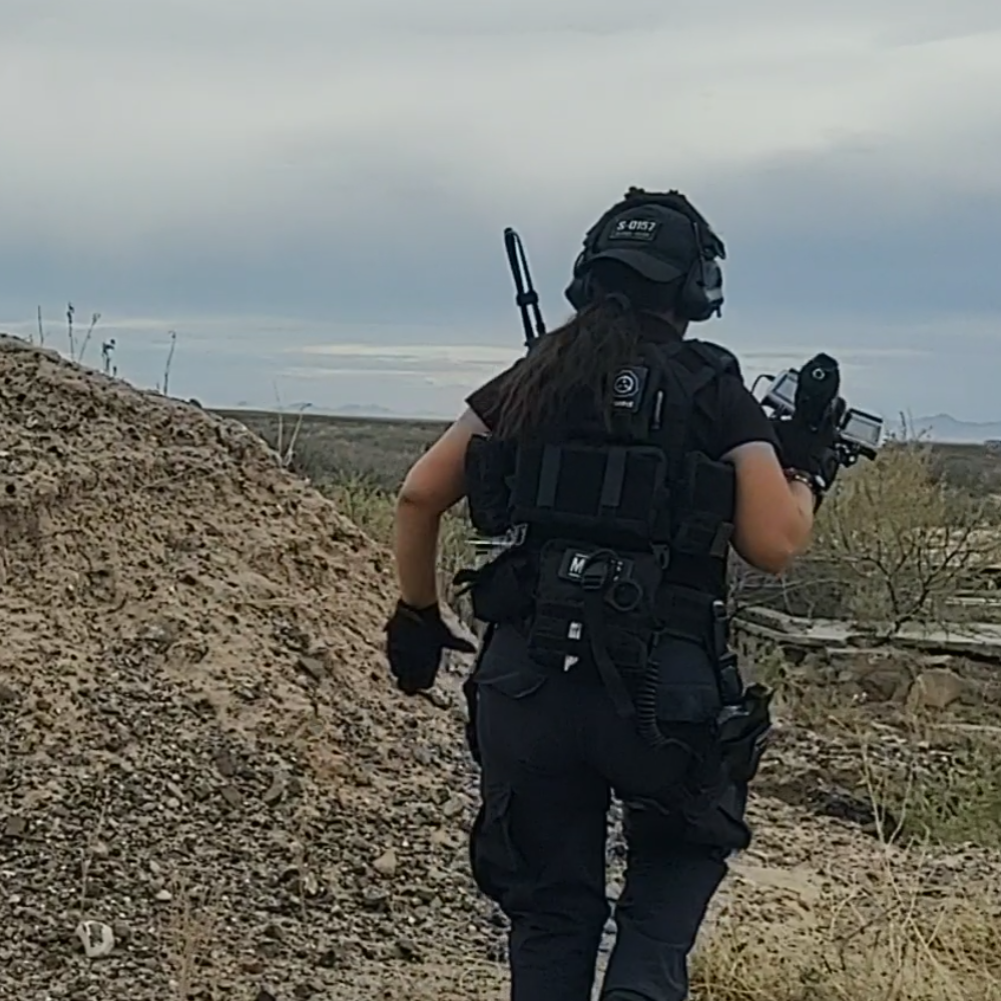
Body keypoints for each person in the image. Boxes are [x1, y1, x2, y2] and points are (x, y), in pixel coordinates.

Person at [384, 187, 842, 1001]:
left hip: (527, 684)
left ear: (586, 276)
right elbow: (773, 542)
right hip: (662, 695)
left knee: (549, 914)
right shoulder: (711, 385)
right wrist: (804, 467)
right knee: (668, 881)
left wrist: (418, 615)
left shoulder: (536, 374)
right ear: (695, 286)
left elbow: (420, 494)